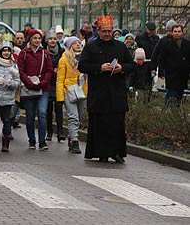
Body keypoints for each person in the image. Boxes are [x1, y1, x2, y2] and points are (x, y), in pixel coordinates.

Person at [78, 15, 134, 163]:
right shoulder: (91, 46)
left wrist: (121, 68)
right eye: (104, 31)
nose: (107, 34)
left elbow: (131, 65)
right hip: (98, 93)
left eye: (109, 31)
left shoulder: (120, 47)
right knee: (99, 125)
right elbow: (82, 66)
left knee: (116, 125)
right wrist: (99, 68)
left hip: (116, 93)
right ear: (99, 31)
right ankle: (101, 152)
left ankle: (117, 153)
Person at [17, 28, 53, 150]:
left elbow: (49, 70)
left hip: (43, 88)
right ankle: (32, 140)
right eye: (35, 38)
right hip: (28, 87)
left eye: (39, 38)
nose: (37, 40)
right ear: (30, 39)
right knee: (30, 115)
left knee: (42, 113)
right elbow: (20, 70)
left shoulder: (45, 53)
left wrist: (43, 82)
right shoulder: (24, 53)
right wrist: (28, 82)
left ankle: (42, 141)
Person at [56, 36, 88, 154]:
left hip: (82, 91)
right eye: (75, 43)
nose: (78, 45)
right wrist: (60, 97)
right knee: (73, 116)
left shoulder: (85, 59)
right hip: (69, 91)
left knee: (78, 117)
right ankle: (75, 141)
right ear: (69, 46)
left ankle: (71, 136)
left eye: (79, 43)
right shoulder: (64, 60)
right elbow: (60, 79)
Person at [156, 24, 190, 107]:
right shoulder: (167, 43)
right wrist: (161, 72)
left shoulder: (187, 43)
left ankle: (176, 111)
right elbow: (161, 58)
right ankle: (169, 110)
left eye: (179, 31)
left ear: (182, 32)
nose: (177, 33)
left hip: (183, 74)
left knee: (179, 94)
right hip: (171, 73)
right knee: (171, 94)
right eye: (175, 31)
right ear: (172, 32)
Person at [45, 29, 65, 142]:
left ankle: (60, 132)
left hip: (58, 83)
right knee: (48, 109)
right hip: (48, 83)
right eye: (50, 39)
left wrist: (59, 70)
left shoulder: (61, 51)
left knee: (59, 108)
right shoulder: (44, 51)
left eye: (54, 39)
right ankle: (49, 132)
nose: (52, 41)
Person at [135, 21, 159, 93]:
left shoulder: (156, 38)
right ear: (146, 29)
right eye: (150, 30)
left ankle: (149, 95)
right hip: (143, 62)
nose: (151, 32)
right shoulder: (140, 37)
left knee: (150, 81)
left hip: (152, 62)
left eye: (153, 30)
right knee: (142, 80)